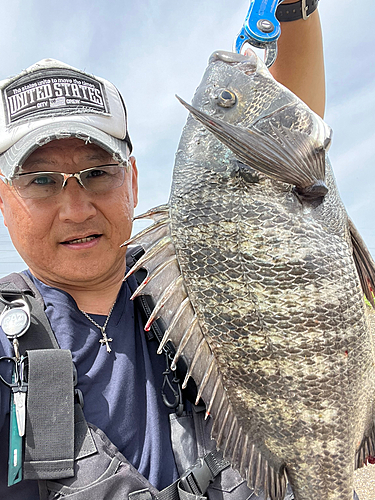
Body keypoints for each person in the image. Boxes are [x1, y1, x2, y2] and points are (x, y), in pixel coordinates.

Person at [0, 2, 326, 499]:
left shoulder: (195, 275)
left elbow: (285, 162)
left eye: (97, 172)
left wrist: (295, 11)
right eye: (41, 181)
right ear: (4, 199)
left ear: (131, 179)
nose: (76, 208)